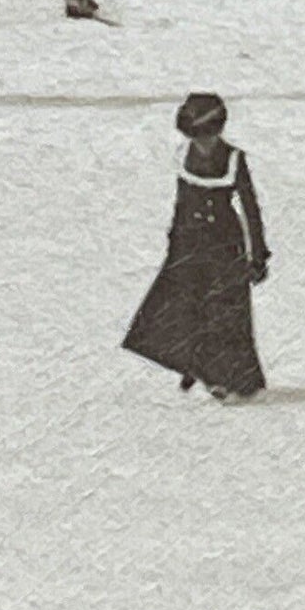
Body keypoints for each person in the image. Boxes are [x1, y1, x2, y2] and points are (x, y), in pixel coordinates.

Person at [122, 92, 270, 402]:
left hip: (225, 245)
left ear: (218, 130)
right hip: (188, 244)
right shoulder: (183, 155)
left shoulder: (234, 159)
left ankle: (224, 377)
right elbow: (181, 202)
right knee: (183, 308)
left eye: (207, 136)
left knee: (223, 314)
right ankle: (195, 365)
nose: (203, 143)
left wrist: (258, 256)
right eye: (196, 136)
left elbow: (250, 208)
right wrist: (174, 242)